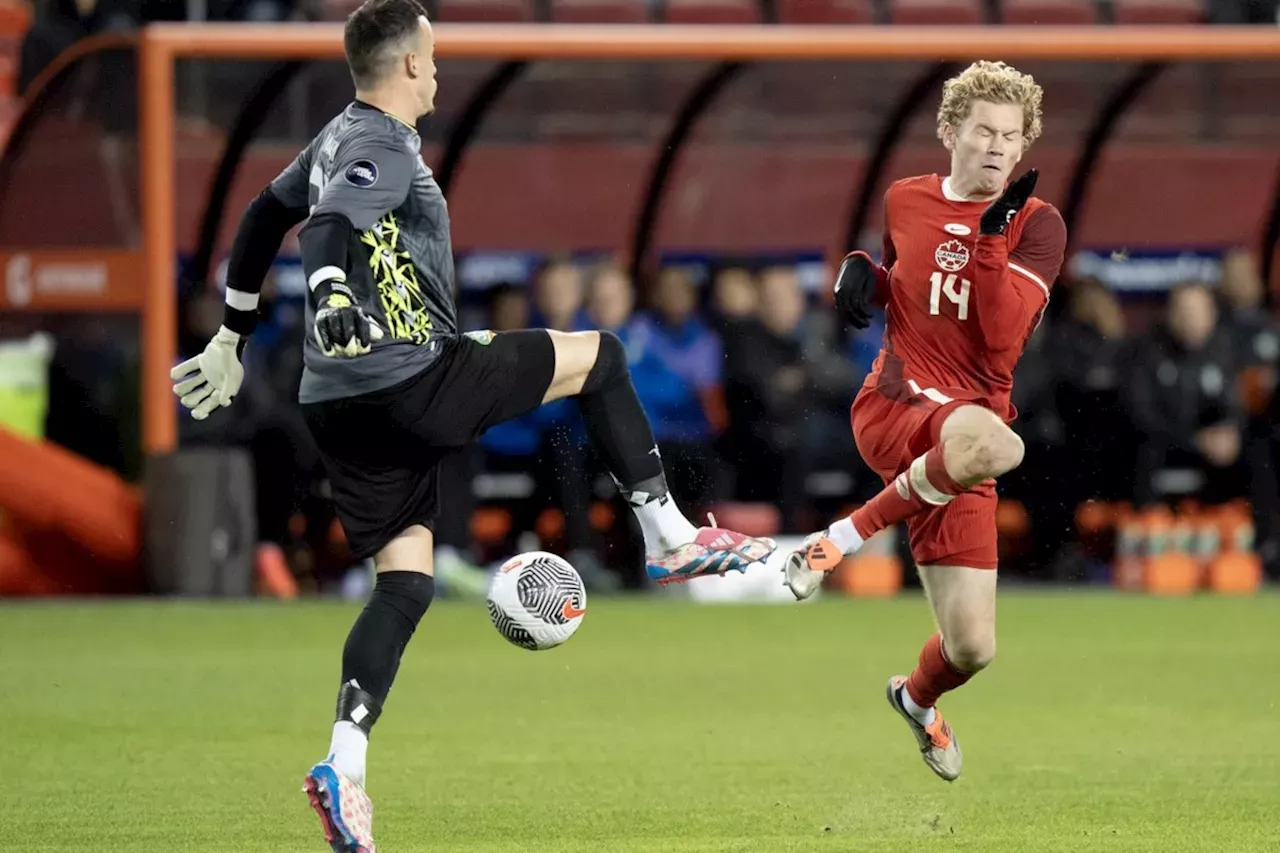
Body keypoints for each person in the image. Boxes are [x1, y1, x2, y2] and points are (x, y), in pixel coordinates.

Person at [167, 2, 776, 850]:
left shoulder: (333, 136)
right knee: (599, 354)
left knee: (406, 583)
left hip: (336, 402)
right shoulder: (380, 141)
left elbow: (264, 217)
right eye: (435, 57)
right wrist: (333, 290)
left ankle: (344, 765)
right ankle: (669, 537)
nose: (441, 71)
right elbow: (329, 227)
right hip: (412, 371)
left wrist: (232, 333)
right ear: (411, 66)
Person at [782, 61, 1067, 783]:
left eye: (1012, 136)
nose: (999, 148)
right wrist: (859, 273)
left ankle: (914, 698)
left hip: (959, 441)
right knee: (1002, 441)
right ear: (950, 132)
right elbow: (898, 276)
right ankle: (835, 542)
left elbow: (1001, 341)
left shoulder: (1038, 225)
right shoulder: (905, 197)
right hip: (898, 403)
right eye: (984, 132)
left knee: (972, 647)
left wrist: (992, 243)